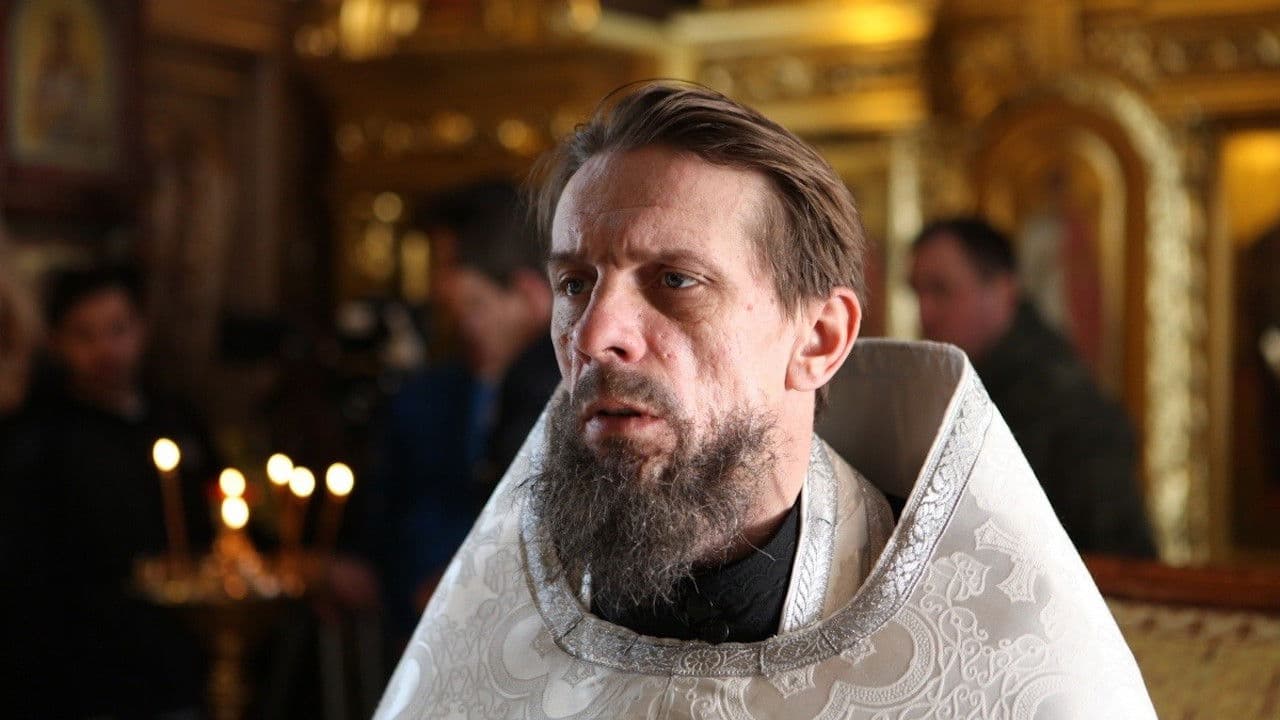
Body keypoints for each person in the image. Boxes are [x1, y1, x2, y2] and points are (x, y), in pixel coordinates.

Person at [374, 82, 1155, 718]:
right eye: (575, 284)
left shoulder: (1000, 670)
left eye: (676, 280)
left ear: (818, 338)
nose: (596, 334)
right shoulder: (501, 623)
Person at [13, 266, 216, 718]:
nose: (105, 350)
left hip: (178, 665)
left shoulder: (177, 419)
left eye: (117, 329)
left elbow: (216, 516)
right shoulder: (38, 441)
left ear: (141, 329)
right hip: (82, 678)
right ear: (56, 342)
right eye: (84, 335)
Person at [360, 180, 559, 638]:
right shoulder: (427, 396)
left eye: (473, 306)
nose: (441, 290)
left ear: (531, 295)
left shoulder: (567, 397)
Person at [909, 217, 1156, 558]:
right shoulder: (948, 388)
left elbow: (1118, 556)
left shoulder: (1064, 402)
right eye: (917, 293)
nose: (925, 313)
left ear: (1002, 289)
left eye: (941, 290)